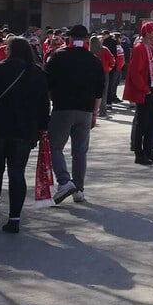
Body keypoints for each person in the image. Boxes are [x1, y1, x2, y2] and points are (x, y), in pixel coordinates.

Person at [0, 36, 50, 233]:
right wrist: (42, 128)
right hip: (24, 131)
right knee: (17, 174)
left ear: (9, 51)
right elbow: (43, 105)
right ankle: (14, 219)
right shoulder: (36, 74)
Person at [45, 25, 105, 201]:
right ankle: (78, 189)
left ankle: (64, 182)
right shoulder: (94, 60)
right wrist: (94, 113)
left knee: (55, 146)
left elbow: (47, 82)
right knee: (80, 151)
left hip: (63, 108)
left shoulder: (58, 56)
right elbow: (99, 91)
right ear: (86, 39)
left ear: (69, 39)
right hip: (86, 110)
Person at [123, 22, 153, 166]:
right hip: (145, 90)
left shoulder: (150, 47)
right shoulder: (140, 48)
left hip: (151, 88)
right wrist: (144, 88)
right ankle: (139, 153)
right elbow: (135, 72)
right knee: (143, 122)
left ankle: (148, 151)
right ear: (147, 33)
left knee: (151, 122)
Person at [90, 35, 115, 118]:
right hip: (104, 72)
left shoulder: (89, 51)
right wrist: (109, 67)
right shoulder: (104, 49)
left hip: (92, 72)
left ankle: (91, 110)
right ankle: (102, 112)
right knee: (103, 92)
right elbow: (112, 60)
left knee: (92, 91)